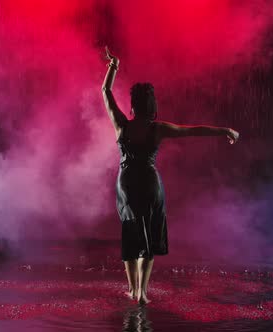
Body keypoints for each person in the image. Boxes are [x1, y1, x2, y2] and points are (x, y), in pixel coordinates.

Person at [101, 47, 239, 305]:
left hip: (127, 185)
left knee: (132, 233)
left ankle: (132, 290)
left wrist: (114, 66)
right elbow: (194, 131)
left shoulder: (122, 125)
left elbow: (106, 92)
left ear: (132, 106)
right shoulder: (158, 129)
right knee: (149, 238)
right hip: (151, 184)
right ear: (153, 106)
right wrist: (225, 130)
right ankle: (142, 292)